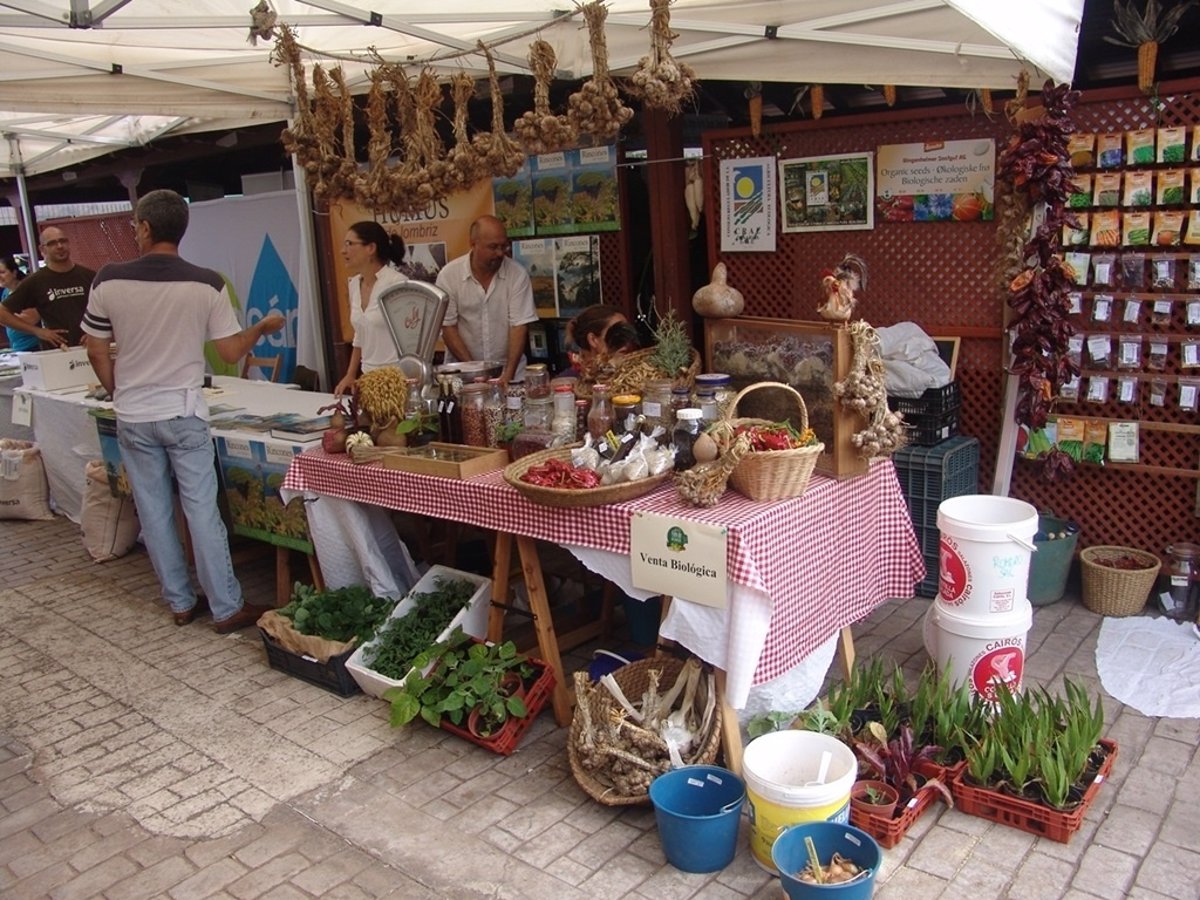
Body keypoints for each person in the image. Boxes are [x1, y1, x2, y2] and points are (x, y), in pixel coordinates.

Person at [82, 189, 286, 633]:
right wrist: (262, 327)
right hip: (184, 410)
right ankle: (226, 607)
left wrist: (119, 390)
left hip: (134, 414)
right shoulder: (206, 283)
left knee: (154, 511)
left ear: (145, 227)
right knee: (201, 511)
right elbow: (231, 351)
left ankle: (178, 602)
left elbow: (96, 349)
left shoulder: (108, 280)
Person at [436, 215, 538, 384]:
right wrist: (474, 371)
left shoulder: (517, 275)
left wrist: (508, 375)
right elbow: (448, 328)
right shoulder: (449, 276)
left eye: (503, 246)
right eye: (493, 247)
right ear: (473, 244)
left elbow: (519, 326)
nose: (500, 253)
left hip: (510, 371)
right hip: (461, 373)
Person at [333, 221, 408, 397]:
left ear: (370, 248)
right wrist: (351, 374)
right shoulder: (353, 284)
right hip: (369, 379)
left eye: (350, 244)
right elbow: (360, 334)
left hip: (396, 378)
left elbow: (411, 336)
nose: (343, 251)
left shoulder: (396, 283)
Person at [0, 226, 95, 349]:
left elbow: (110, 308)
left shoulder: (89, 276)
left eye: (63, 241)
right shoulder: (35, 281)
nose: (60, 246)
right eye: (52, 243)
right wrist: (37, 331)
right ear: (42, 249)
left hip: (91, 349)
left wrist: (96, 332)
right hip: (56, 352)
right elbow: (2, 313)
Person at [560, 304, 638, 378]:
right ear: (593, 340)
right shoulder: (568, 384)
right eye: (617, 335)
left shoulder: (634, 377)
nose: (626, 343)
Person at [0, 255, 39, 351]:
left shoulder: (26, 290)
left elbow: (31, 319)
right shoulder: (6, 292)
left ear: (14, 273)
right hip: (17, 347)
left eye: (2, 272)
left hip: (33, 346)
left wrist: (5, 316)